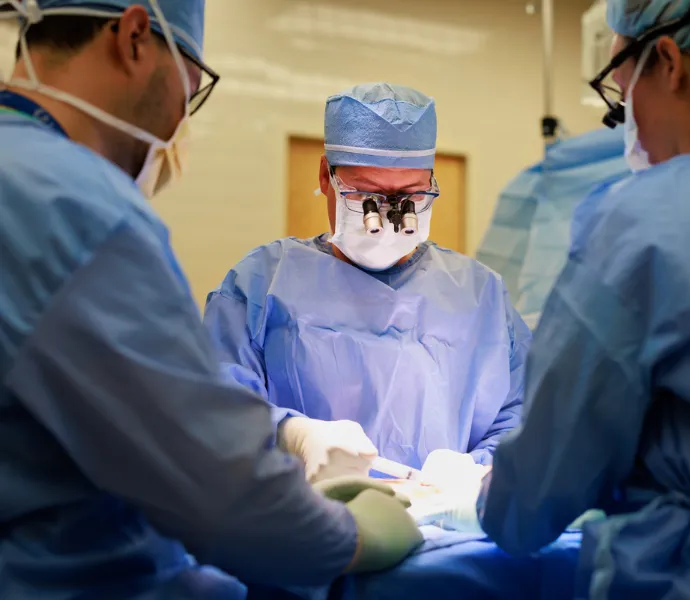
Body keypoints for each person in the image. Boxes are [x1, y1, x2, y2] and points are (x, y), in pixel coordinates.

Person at [0, 2, 422, 599]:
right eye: (190, 90)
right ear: (135, 36)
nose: (179, 121)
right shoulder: (79, 208)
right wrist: (348, 534)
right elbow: (218, 489)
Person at [435, 0, 690, 596]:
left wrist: (477, 497)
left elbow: (535, 500)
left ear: (668, 61)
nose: (623, 111)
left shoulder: (644, 216)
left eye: (619, 85)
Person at [203, 82, 532, 485]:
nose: (390, 218)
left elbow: (524, 414)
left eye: (410, 198)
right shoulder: (260, 285)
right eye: (368, 197)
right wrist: (291, 434)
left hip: (447, 531)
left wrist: (478, 469)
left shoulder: (482, 297)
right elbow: (215, 403)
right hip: (306, 527)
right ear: (326, 177)